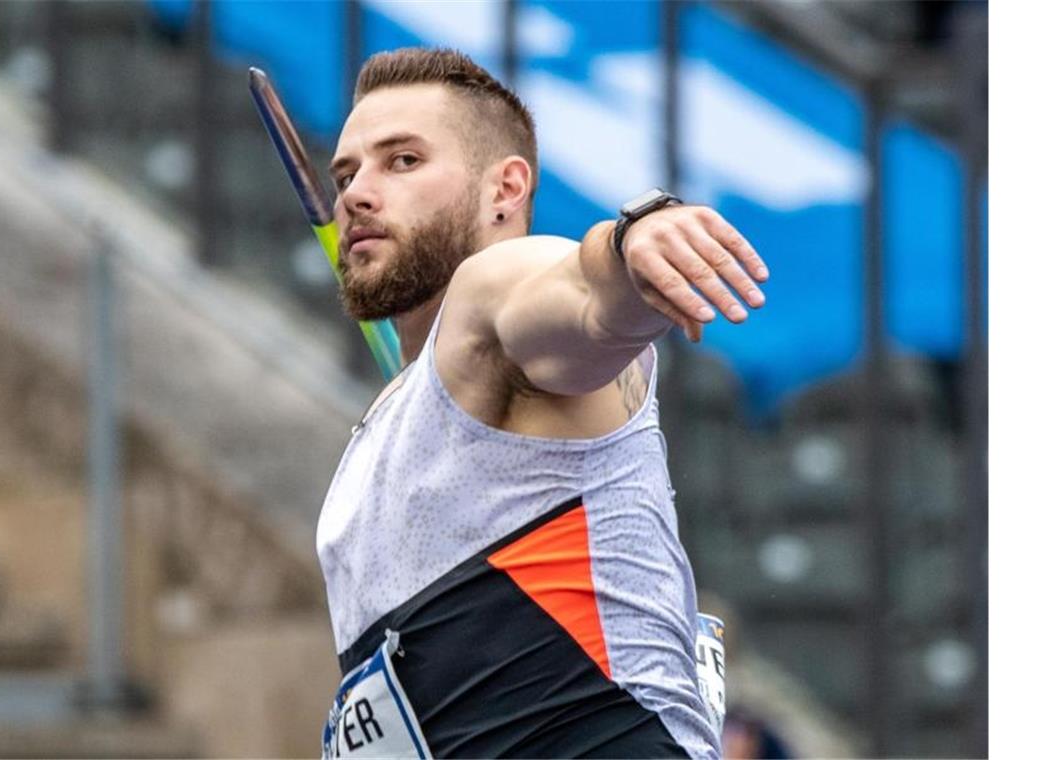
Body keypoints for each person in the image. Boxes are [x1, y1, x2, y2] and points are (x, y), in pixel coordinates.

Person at [316, 47, 767, 760]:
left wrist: (631, 243)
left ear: (506, 188)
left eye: (402, 161)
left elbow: (582, 303)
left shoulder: (492, 292)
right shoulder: (393, 423)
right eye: (346, 173)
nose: (356, 195)